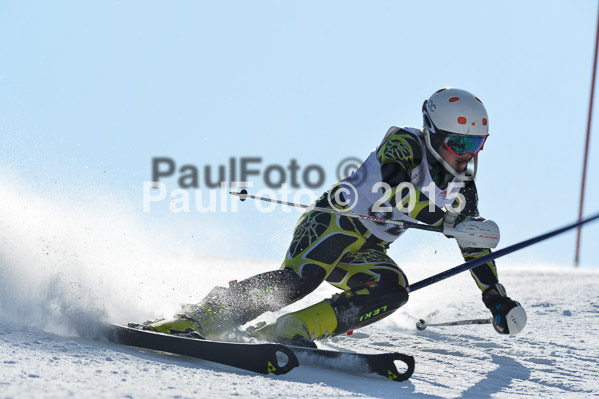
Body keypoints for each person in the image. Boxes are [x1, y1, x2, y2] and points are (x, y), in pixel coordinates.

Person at [147, 88, 527, 344]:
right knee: (301, 280)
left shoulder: (463, 187)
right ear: (431, 131)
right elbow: (394, 187)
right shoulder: (404, 142)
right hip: (334, 222)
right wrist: (444, 221)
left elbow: (472, 242)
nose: (466, 153)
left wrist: (495, 298)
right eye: (458, 142)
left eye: (476, 144)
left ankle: (292, 329)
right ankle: (199, 317)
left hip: (369, 247)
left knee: (393, 289)